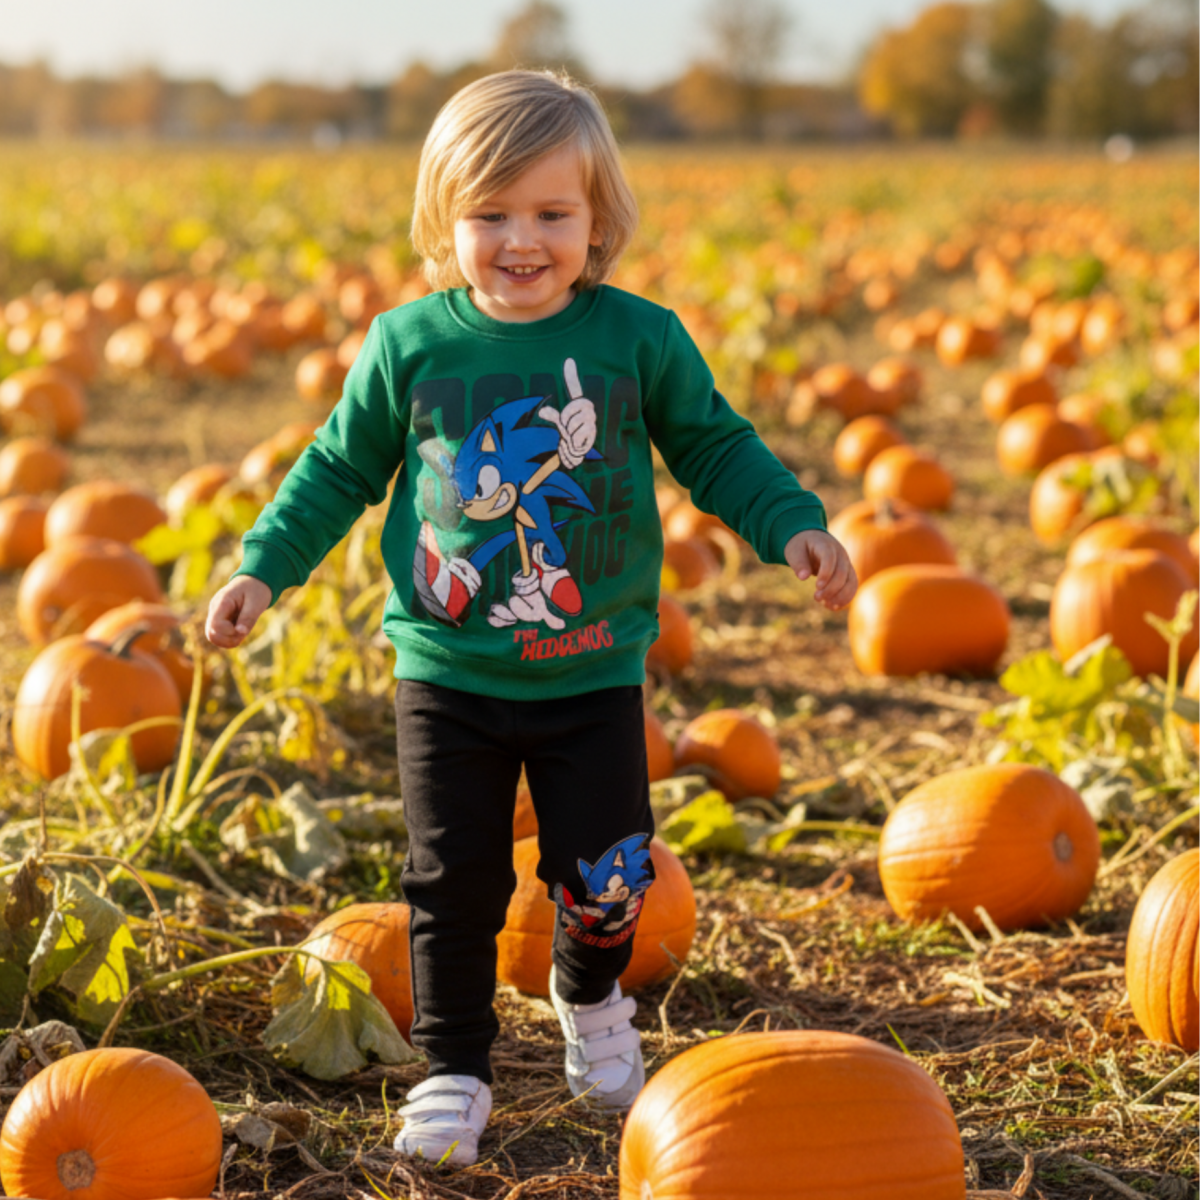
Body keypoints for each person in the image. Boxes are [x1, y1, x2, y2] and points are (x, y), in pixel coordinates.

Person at [206, 69, 857, 1167]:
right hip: (446, 672)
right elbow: (334, 470)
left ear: (598, 221)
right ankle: (455, 1067)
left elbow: (714, 444)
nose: (522, 239)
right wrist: (265, 567)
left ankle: (588, 992)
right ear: (442, 220)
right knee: (449, 882)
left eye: (552, 214)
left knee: (608, 879)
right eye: (490, 214)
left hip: (592, 672)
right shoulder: (409, 345)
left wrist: (788, 522)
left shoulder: (639, 340)